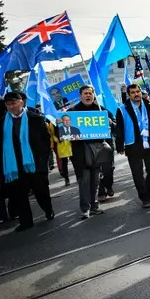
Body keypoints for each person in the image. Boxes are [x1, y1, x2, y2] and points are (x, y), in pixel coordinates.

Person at [0, 91, 55, 232]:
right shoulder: (2, 122)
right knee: (18, 193)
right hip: (14, 163)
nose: (11, 107)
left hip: (33, 162)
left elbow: (45, 140)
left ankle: (48, 209)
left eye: (13, 103)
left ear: (21, 102)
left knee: (41, 190)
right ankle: (26, 221)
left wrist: (42, 159)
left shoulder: (35, 118)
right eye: (8, 104)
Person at [116, 84, 150, 208]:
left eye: (137, 91)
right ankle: (144, 197)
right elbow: (119, 129)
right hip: (133, 145)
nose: (136, 94)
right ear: (129, 94)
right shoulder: (122, 109)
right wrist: (120, 145)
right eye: (133, 92)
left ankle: (147, 190)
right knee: (137, 174)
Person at [63, 86, 106, 219]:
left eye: (90, 93)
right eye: (85, 93)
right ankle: (85, 208)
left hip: (97, 151)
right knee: (84, 180)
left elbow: (113, 123)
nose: (88, 96)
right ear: (80, 95)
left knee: (95, 181)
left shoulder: (100, 110)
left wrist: (110, 122)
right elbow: (64, 131)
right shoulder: (72, 112)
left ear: (94, 95)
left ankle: (94, 206)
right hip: (80, 153)